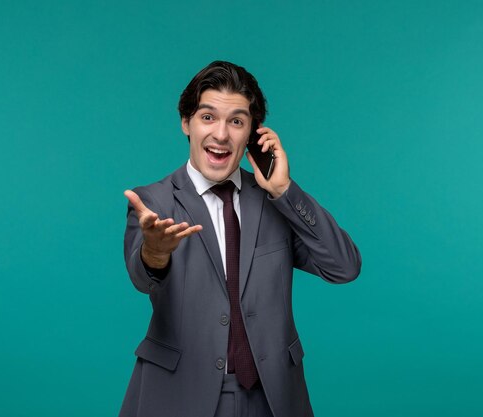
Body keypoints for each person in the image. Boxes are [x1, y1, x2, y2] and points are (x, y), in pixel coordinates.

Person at [119, 61, 361, 417]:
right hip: (179, 394)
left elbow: (344, 267)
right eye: (208, 117)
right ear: (186, 122)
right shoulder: (154, 202)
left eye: (236, 121)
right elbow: (142, 277)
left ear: (252, 133)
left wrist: (285, 190)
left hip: (272, 398)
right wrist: (155, 252)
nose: (220, 135)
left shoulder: (275, 202)